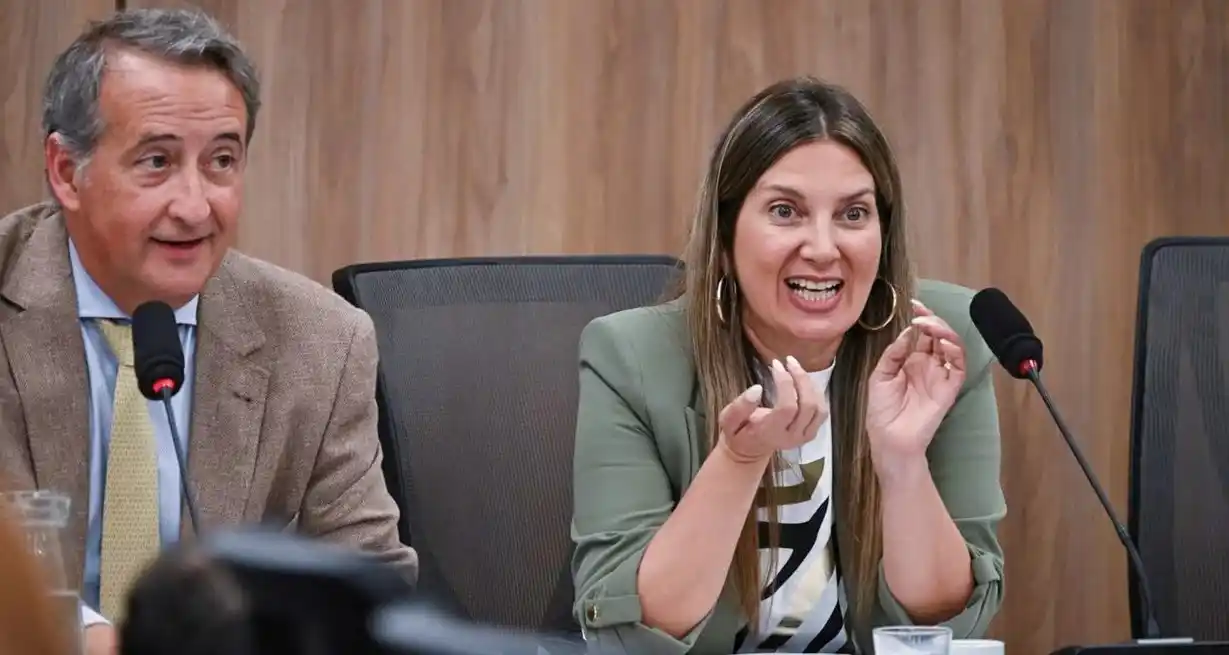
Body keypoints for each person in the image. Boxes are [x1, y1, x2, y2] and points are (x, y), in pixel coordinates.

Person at [0, 7, 416, 653]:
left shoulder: (322, 341)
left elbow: (369, 585)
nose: (196, 206)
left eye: (222, 160)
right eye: (156, 161)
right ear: (65, 171)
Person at [570, 76, 1006, 654]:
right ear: (724, 237)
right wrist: (739, 459)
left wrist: (902, 463)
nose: (824, 248)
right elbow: (627, 637)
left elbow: (951, 625)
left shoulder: (941, 341)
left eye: (853, 214)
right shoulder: (632, 357)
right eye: (785, 211)